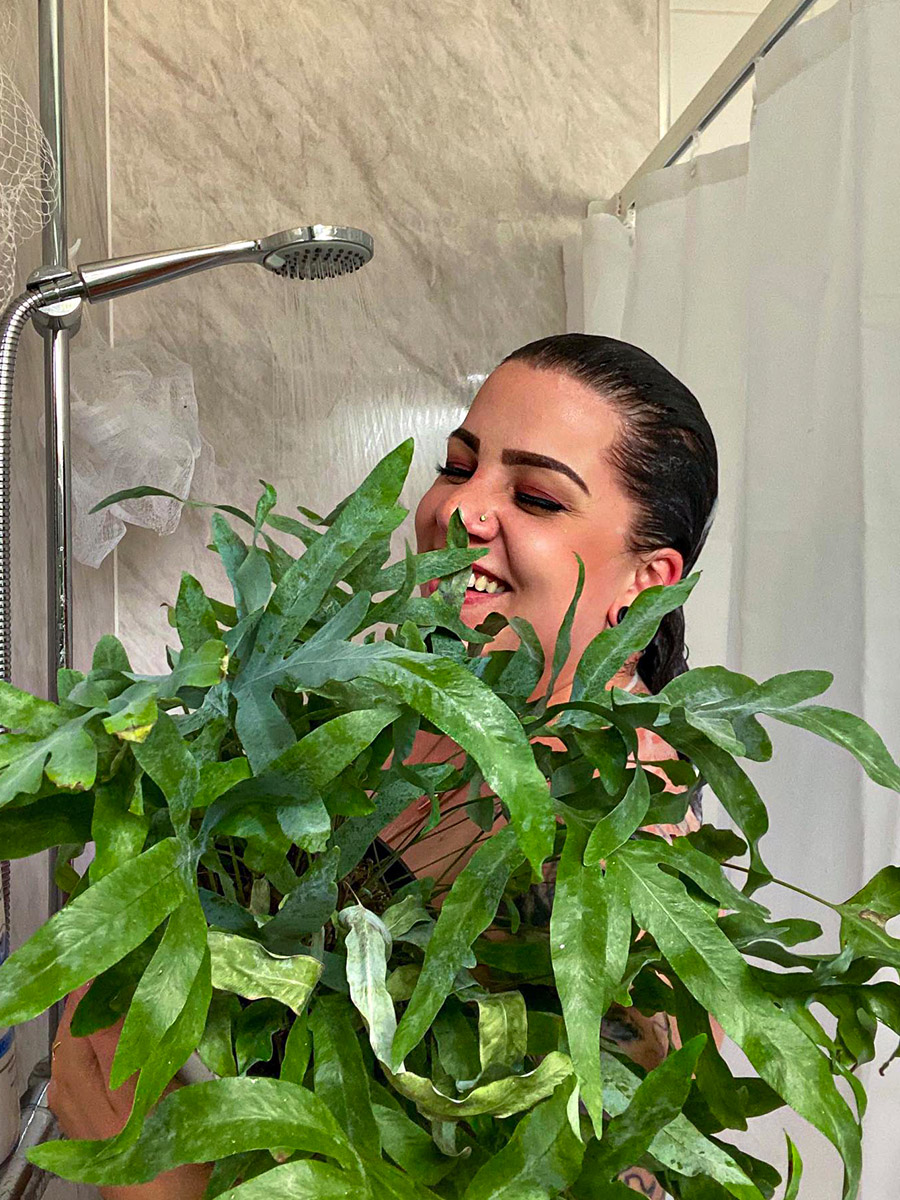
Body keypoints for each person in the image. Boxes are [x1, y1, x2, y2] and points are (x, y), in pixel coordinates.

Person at [48, 334, 718, 1199]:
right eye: (458, 465)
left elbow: (608, 1169)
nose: (460, 510)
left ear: (647, 579)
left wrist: (163, 1173)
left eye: (537, 497)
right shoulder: (407, 698)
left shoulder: (633, 853)